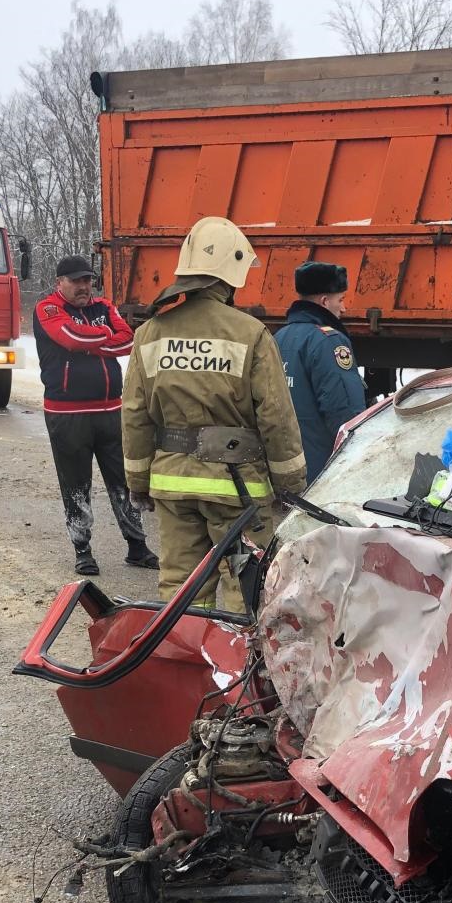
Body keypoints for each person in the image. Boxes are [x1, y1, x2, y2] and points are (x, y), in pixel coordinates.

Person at [122, 217, 306, 612]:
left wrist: (137, 481)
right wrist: (291, 482)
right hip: (238, 488)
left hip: (173, 484)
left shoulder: (150, 333)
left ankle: (188, 665)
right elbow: (275, 416)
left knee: (181, 588)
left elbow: (135, 414)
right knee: (247, 586)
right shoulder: (251, 333)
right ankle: (239, 670)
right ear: (232, 270)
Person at [33, 254, 159, 576]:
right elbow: (69, 338)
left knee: (125, 481)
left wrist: (91, 343)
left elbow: (128, 340)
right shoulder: (47, 308)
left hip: (110, 410)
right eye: (76, 281)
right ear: (59, 282)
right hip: (67, 413)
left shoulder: (104, 307)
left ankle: (137, 546)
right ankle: (82, 550)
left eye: (87, 279)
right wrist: (102, 340)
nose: (84, 286)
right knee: (76, 485)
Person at [276, 261, 366, 480]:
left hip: (286, 467)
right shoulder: (329, 341)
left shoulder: (277, 338)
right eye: (340, 300)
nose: (343, 308)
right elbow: (345, 412)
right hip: (321, 472)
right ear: (325, 301)